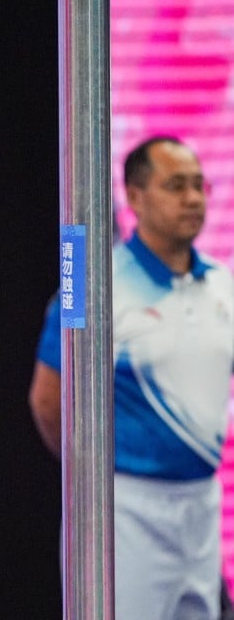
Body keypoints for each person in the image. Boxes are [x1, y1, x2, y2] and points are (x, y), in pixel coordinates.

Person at [29, 135, 233, 620]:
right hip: (125, 509)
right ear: (135, 197)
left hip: (201, 504)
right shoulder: (93, 285)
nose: (192, 199)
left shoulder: (223, 286)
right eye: (175, 186)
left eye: (198, 186)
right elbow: (48, 400)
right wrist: (95, 480)